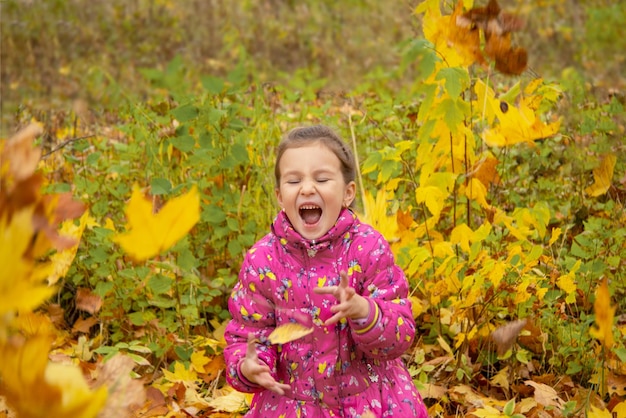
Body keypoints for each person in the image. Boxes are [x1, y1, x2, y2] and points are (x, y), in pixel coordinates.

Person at [223, 125, 428, 417]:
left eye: (321, 178)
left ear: (347, 193)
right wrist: (248, 365)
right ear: (280, 197)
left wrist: (363, 311)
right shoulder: (263, 261)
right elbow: (247, 333)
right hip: (292, 403)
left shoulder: (368, 248)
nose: (307, 188)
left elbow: (401, 333)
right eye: (294, 181)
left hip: (369, 400)